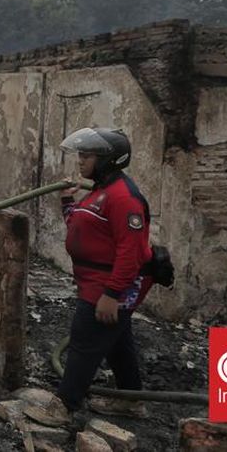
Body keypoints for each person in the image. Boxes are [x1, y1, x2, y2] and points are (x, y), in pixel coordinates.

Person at [55, 127, 154, 417]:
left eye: (87, 155)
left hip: (109, 283)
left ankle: (63, 406)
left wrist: (113, 294)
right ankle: (131, 400)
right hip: (94, 282)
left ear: (109, 160)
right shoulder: (100, 191)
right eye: (81, 154)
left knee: (85, 340)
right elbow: (78, 226)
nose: (80, 160)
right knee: (116, 342)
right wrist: (66, 200)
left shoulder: (124, 198)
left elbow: (131, 252)